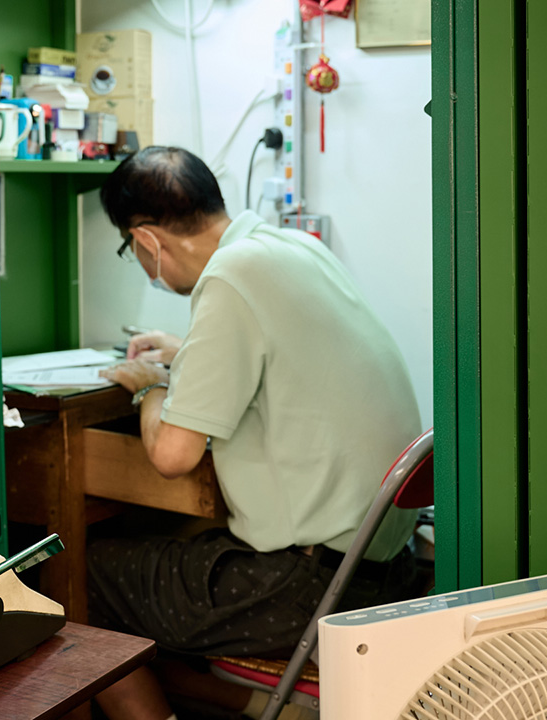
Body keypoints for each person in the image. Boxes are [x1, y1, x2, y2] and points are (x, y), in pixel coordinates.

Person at [91, 146, 422, 720]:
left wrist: (149, 386)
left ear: (146, 241)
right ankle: (266, 705)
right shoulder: (290, 249)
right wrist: (187, 352)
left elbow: (172, 454)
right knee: (165, 570)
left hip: (307, 588)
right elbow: (288, 356)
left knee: (86, 576)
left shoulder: (229, 278)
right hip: (385, 566)